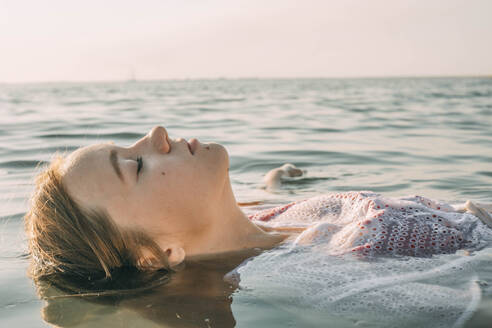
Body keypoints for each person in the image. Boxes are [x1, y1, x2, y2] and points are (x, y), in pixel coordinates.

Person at [25, 125, 492, 294]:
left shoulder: (269, 218)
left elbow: (262, 197)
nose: (157, 133)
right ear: (158, 254)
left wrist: (279, 176)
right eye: (137, 165)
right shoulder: (320, 276)